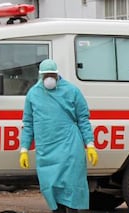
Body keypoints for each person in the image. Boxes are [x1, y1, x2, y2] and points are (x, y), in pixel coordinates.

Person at [19, 59, 98, 213]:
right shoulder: (33, 94)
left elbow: (83, 119)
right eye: (46, 75)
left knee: (71, 186)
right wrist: (24, 148)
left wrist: (90, 144)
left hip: (70, 147)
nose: (49, 79)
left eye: (52, 75)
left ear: (57, 74)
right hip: (46, 150)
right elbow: (28, 123)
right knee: (49, 186)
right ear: (40, 76)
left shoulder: (72, 91)